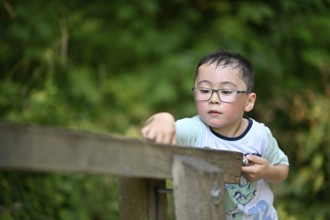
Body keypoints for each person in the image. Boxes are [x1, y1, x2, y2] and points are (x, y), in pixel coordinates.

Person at [141, 50, 289, 220]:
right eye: (204, 90)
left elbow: (282, 169)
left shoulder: (260, 134)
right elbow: (153, 135)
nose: (213, 99)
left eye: (226, 92)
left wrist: (267, 171)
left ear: (249, 101)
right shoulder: (193, 130)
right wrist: (163, 118)